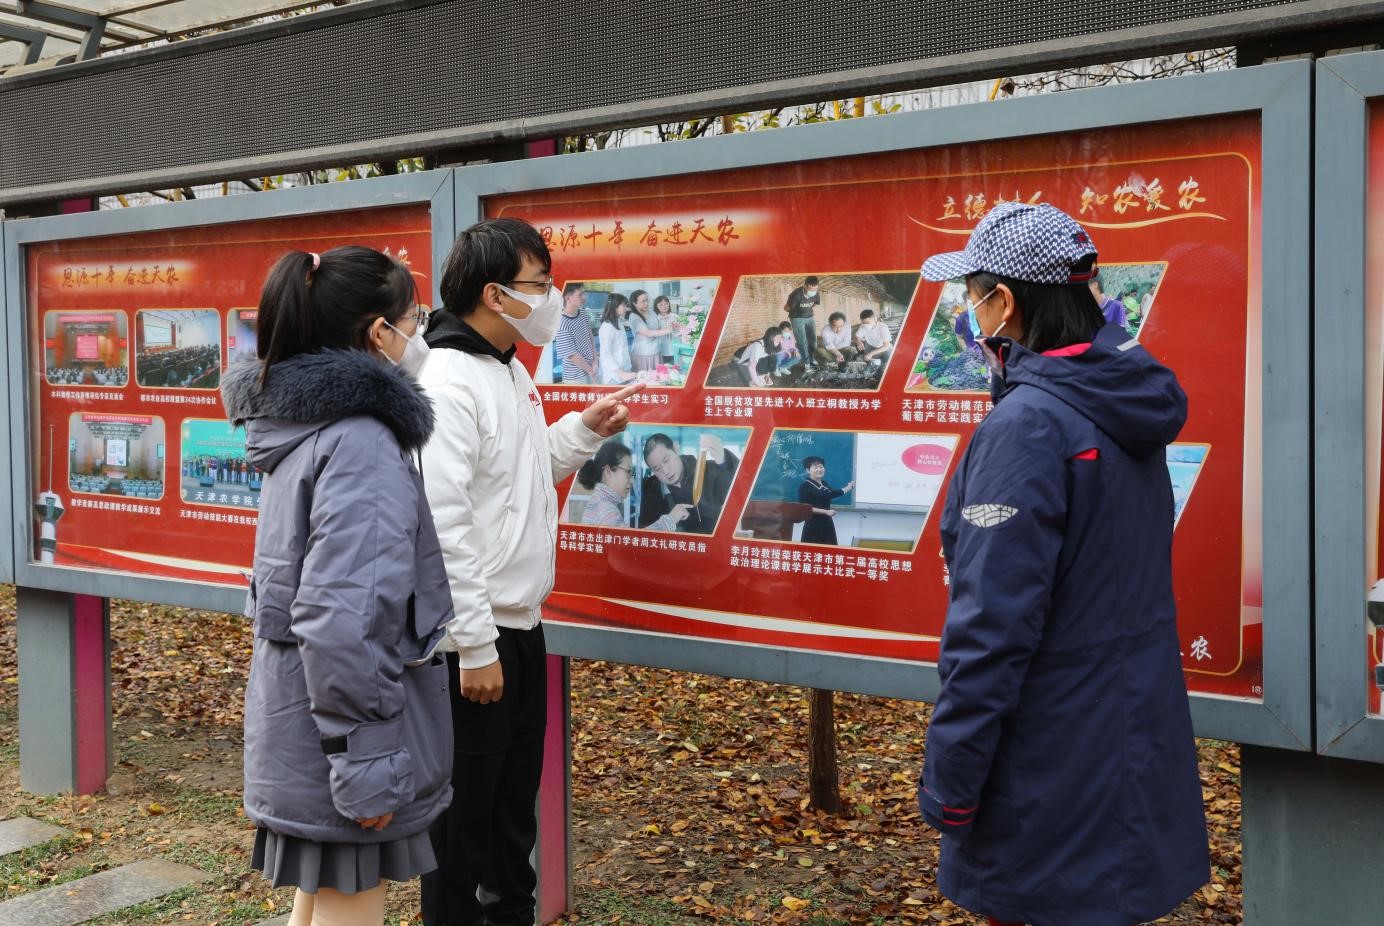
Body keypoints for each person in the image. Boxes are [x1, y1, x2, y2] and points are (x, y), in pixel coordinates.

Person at [916, 202, 1209, 926]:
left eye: (970, 294)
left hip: (1048, 771)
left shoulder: (1028, 427)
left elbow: (992, 629)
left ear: (1003, 302)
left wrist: (951, 783)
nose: (965, 310)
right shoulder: (1119, 400)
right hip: (1127, 747)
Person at [221, 246, 455, 926]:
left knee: (322, 896)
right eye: (414, 320)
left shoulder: (305, 427)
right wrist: (367, 763)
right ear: (379, 333)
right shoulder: (360, 442)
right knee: (350, 899)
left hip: (304, 719)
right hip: (342, 737)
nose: (419, 335)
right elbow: (345, 618)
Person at [416, 218, 639, 926]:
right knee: (463, 829)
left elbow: (519, 473)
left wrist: (581, 432)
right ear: (495, 294)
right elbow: (444, 524)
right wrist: (475, 646)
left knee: (512, 818)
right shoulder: (447, 380)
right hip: (475, 643)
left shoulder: (506, 368)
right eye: (540, 284)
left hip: (519, 627)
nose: (551, 297)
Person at [574, 438, 689, 531]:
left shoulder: (600, 502)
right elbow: (633, 544)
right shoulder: (605, 509)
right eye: (628, 472)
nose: (632, 480)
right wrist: (671, 519)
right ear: (608, 471)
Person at [637, 432, 738, 535]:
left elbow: (738, 489)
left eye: (666, 460)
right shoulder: (651, 489)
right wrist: (670, 520)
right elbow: (644, 534)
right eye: (657, 469)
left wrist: (723, 461)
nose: (666, 471)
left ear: (676, 449)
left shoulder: (705, 470)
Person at [797, 456, 853, 546]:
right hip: (813, 525)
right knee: (814, 551)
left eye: (821, 467)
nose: (819, 469)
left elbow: (832, 494)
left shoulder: (824, 483)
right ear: (808, 470)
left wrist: (848, 488)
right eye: (815, 467)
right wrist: (825, 512)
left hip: (827, 522)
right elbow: (805, 508)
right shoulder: (805, 486)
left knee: (830, 550)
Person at [554, 282, 597, 384]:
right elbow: (572, 355)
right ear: (568, 298)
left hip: (590, 369)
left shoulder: (582, 313)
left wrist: (595, 360)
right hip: (575, 377)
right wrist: (591, 370)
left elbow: (590, 336)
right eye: (580, 294)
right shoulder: (562, 323)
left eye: (584, 293)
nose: (584, 297)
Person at [783, 275, 823, 371]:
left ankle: (811, 358)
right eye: (811, 289)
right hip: (797, 318)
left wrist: (807, 309)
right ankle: (806, 363)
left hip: (809, 317)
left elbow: (815, 304)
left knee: (813, 340)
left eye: (815, 289)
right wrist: (797, 311)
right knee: (802, 341)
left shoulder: (816, 294)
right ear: (805, 286)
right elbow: (786, 308)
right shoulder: (796, 295)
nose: (813, 291)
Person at [627, 289, 673, 373]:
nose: (646, 303)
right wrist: (669, 329)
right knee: (644, 377)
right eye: (643, 301)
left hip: (656, 351)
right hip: (643, 354)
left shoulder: (652, 312)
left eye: (647, 300)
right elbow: (647, 333)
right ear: (634, 303)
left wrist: (670, 325)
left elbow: (658, 329)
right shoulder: (634, 317)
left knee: (657, 376)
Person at [598, 293, 637, 385]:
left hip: (624, 369)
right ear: (615, 306)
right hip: (614, 375)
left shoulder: (618, 322)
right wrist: (621, 373)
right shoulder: (607, 327)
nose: (626, 309)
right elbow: (606, 355)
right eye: (624, 306)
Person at [653, 295, 676, 365]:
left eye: (666, 304)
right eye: (661, 305)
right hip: (661, 349)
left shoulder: (675, 316)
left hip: (674, 348)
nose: (664, 306)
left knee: (676, 367)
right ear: (656, 306)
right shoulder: (655, 318)